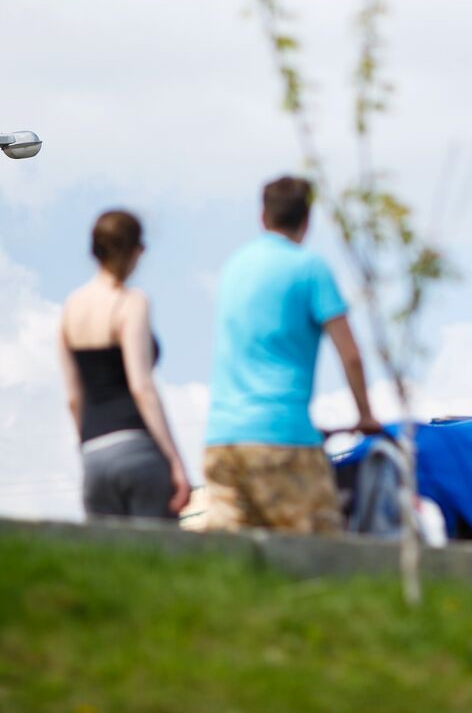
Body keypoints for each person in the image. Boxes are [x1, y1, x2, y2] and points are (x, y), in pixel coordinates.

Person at [204, 176, 381, 534]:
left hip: (222, 440)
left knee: (232, 563)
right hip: (282, 440)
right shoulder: (310, 269)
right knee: (322, 555)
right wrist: (365, 415)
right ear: (307, 220)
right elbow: (351, 355)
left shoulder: (233, 269)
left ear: (262, 216)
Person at [59, 210, 190, 520]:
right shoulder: (131, 302)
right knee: (156, 558)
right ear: (135, 251)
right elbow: (141, 387)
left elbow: (73, 399)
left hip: (94, 455)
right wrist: (175, 461)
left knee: (109, 563)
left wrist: (90, 446)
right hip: (136, 448)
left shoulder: (70, 308)